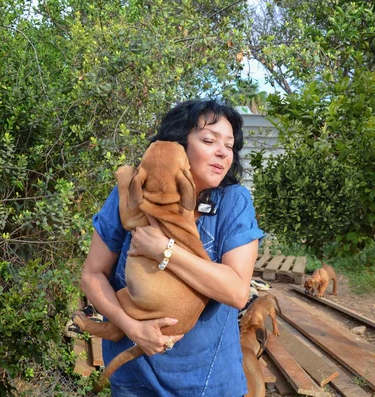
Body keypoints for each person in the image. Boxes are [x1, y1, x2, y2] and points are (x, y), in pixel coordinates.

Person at [80, 99, 265, 396]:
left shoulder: (234, 202)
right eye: (208, 140)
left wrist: (165, 250)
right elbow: (92, 275)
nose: (222, 152)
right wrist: (131, 326)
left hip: (207, 382)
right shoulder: (130, 193)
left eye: (229, 146)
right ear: (178, 144)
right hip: (134, 379)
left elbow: (237, 292)